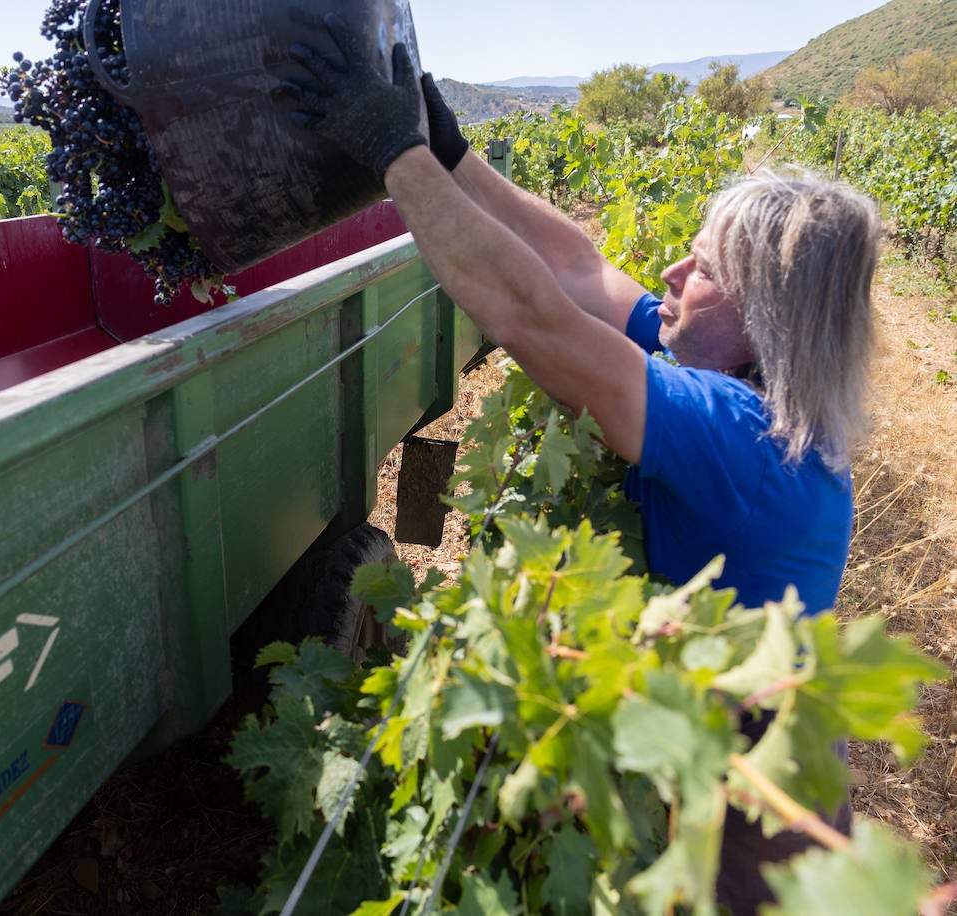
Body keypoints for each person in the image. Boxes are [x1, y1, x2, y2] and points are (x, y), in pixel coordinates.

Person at [274, 13, 881, 915]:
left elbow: (533, 320)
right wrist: (448, 152)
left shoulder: (745, 440)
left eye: (702, 268)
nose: (671, 271)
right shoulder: (715, 366)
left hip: (749, 805)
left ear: (766, 319)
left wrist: (394, 160)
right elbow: (577, 266)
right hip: (719, 741)